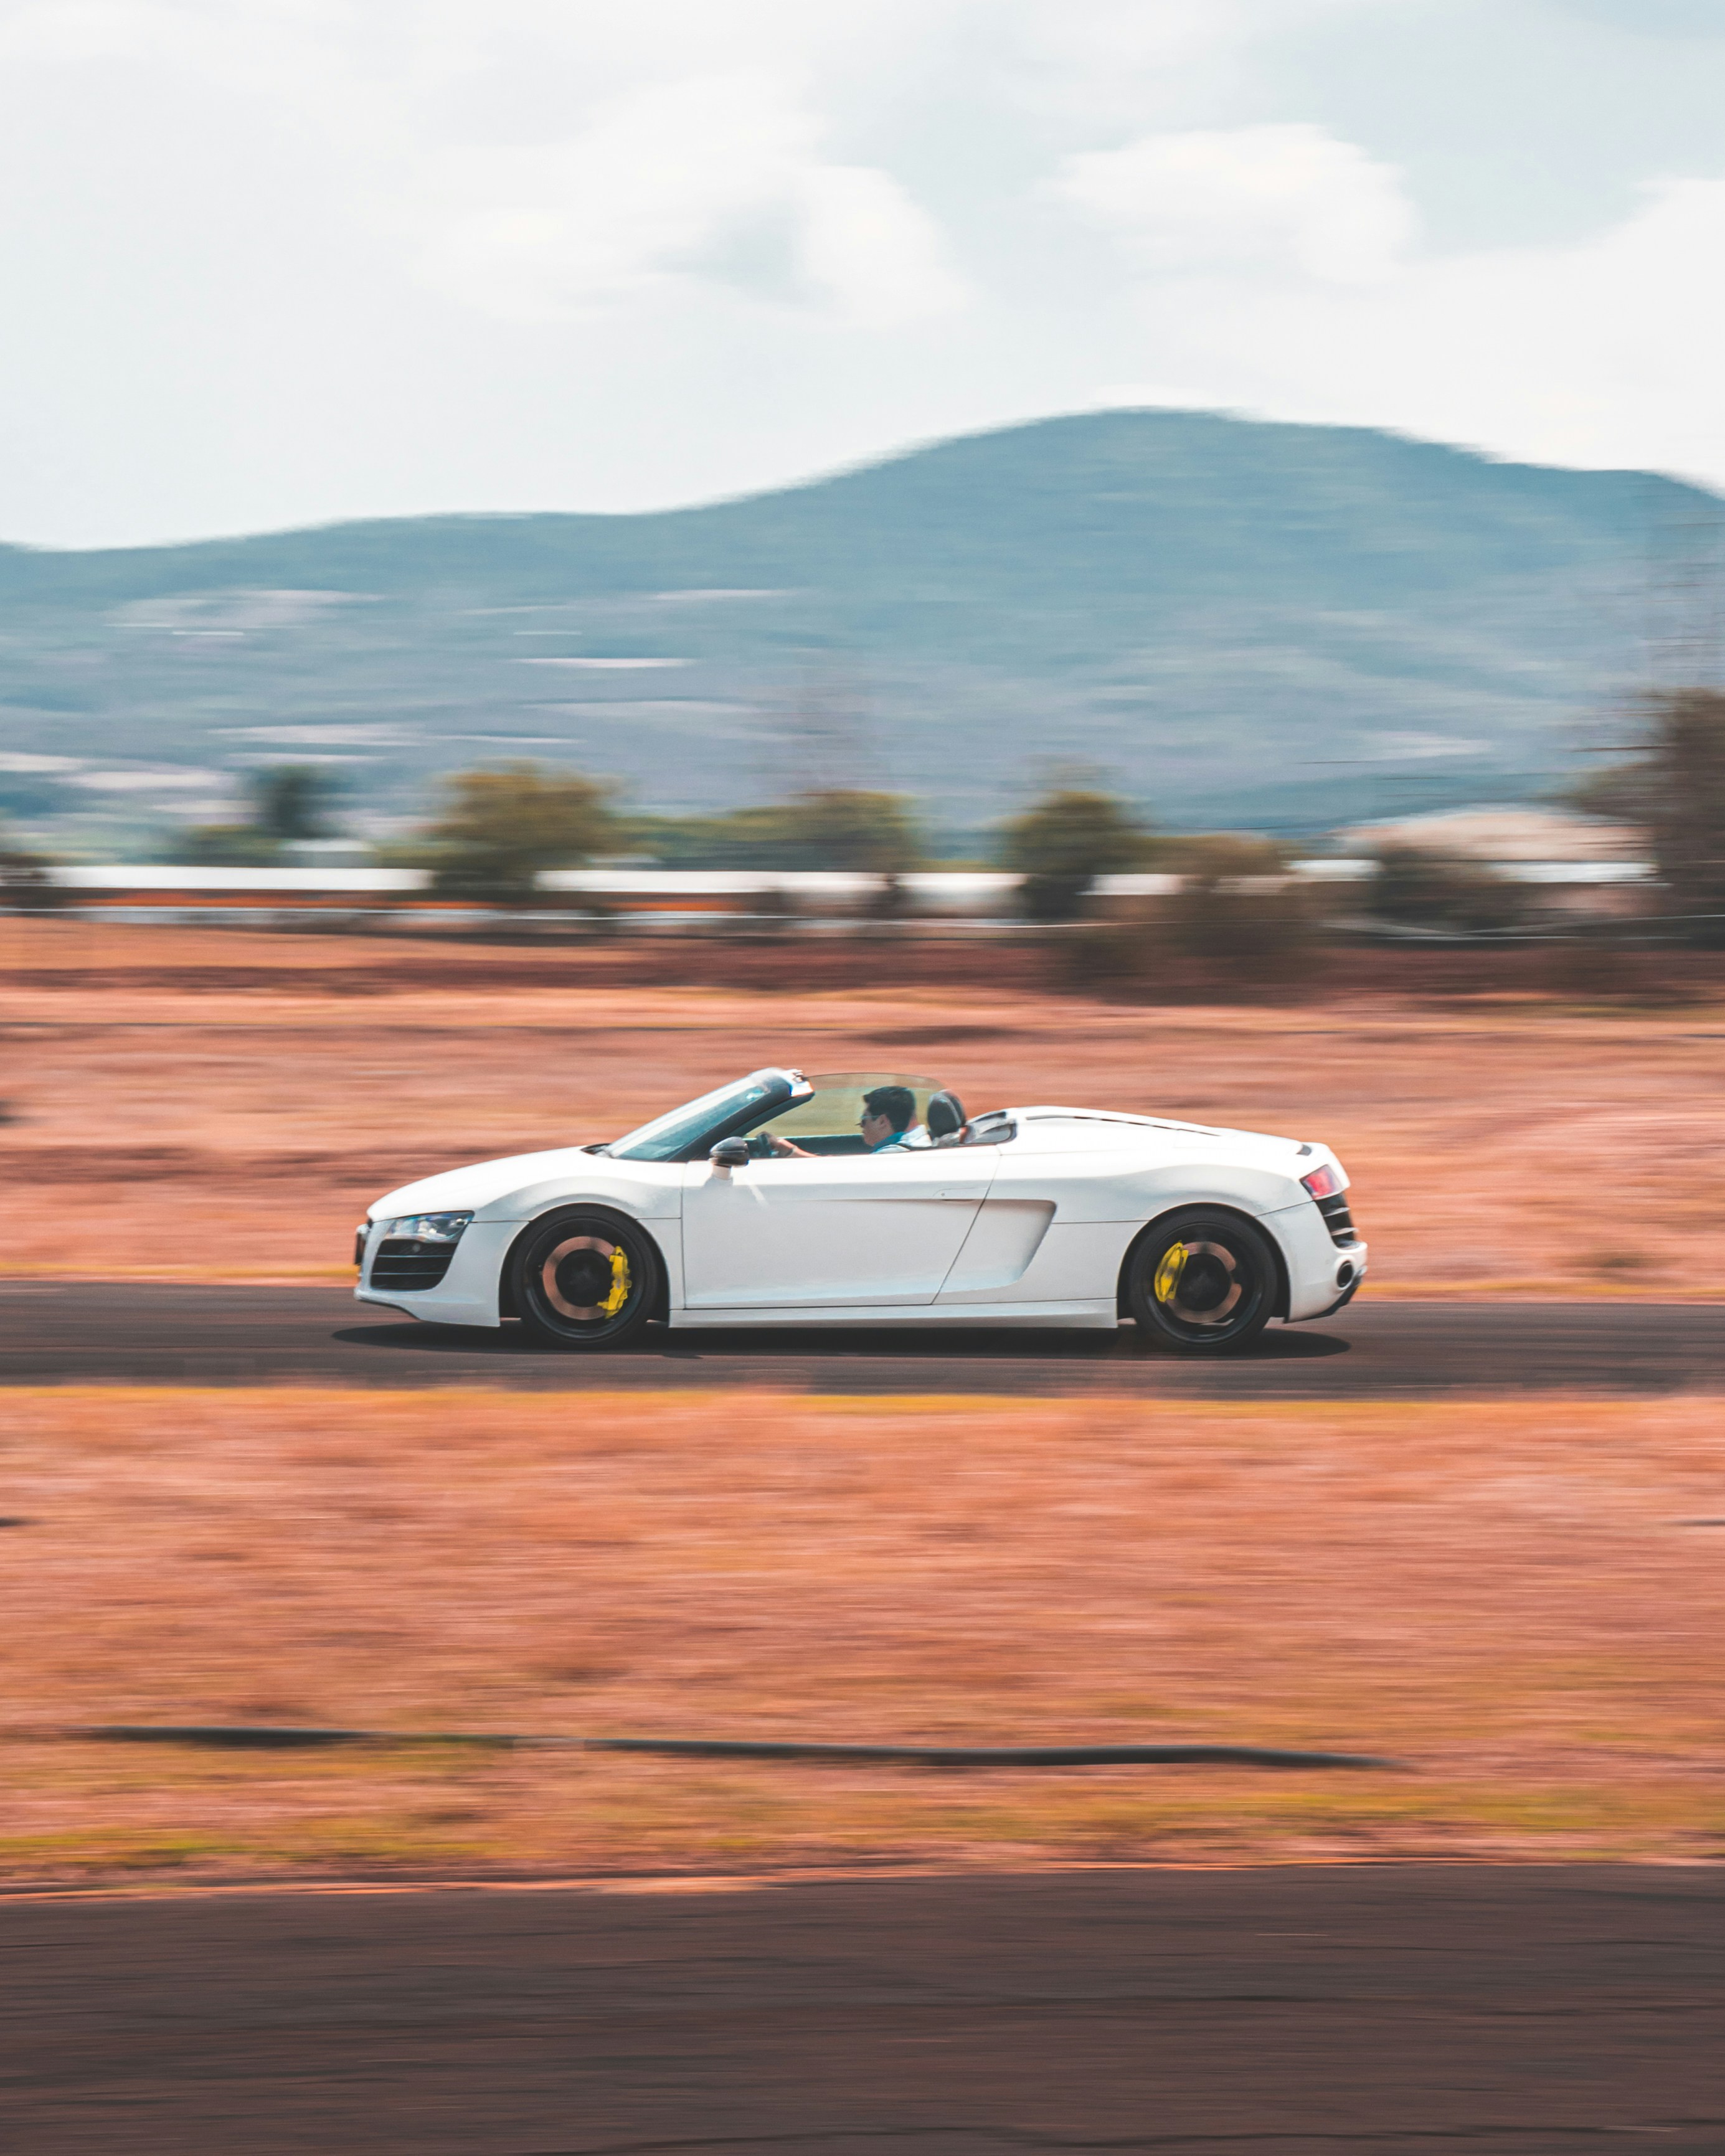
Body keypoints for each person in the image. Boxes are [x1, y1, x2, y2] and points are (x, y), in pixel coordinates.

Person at [766, 1083, 923, 1160]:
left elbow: (839, 1173)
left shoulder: (891, 1156)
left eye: (864, 1120)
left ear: (882, 1122)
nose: (861, 1127)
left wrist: (789, 1151)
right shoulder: (915, 1143)